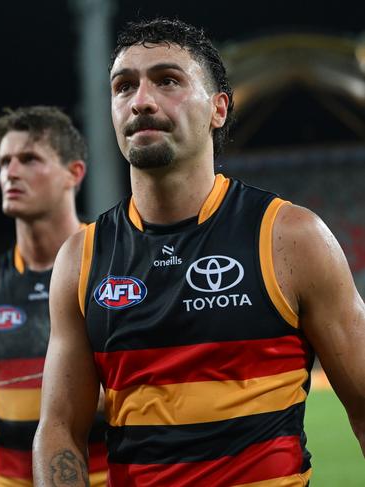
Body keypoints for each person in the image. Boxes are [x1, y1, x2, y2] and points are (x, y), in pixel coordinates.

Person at [33, 18, 365, 486]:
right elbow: (60, 429)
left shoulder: (291, 237)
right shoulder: (81, 259)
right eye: (124, 87)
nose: (141, 101)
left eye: (167, 81)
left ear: (219, 109)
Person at [0, 106, 108, 486]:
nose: (10, 172)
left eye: (29, 159)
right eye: (4, 161)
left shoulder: (116, 266)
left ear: (73, 174)